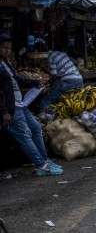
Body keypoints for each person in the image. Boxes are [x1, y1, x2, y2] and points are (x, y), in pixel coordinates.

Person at [0, 33, 63, 176]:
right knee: (24, 135)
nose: (7, 50)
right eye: (4, 47)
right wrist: (4, 111)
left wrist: (35, 82)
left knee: (35, 128)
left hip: (20, 104)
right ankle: (41, 165)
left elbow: (18, 80)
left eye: (9, 48)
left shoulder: (6, 64)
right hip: (10, 108)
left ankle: (45, 160)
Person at [39, 39, 83, 112]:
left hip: (67, 80)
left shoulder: (50, 57)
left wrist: (52, 83)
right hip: (79, 79)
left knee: (46, 100)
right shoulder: (61, 53)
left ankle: (44, 116)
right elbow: (75, 62)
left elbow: (54, 75)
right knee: (77, 101)